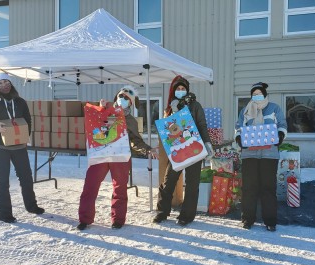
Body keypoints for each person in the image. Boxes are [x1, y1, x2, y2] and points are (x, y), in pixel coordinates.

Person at [77, 85, 158, 230]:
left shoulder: (130, 120)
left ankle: (118, 220)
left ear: (131, 103)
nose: (122, 99)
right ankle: (85, 218)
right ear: (116, 97)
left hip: (120, 157)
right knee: (90, 185)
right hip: (100, 154)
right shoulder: (104, 111)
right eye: (121, 96)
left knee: (120, 189)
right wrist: (100, 109)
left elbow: (135, 141)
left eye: (127, 98)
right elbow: (92, 125)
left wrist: (148, 149)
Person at [0, 72, 45, 223]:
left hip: (19, 146)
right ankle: (5, 214)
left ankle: (31, 206)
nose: (4, 86)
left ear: (11, 84)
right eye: (0, 83)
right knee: (2, 180)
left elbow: (27, 120)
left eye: (6, 82)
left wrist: (25, 136)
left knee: (26, 177)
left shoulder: (20, 102)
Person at [153, 75, 214, 226]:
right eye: (178, 89)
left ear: (187, 91)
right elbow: (166, 129)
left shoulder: (195, 106)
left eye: (183, 89)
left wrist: (207, 143)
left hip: (194, 149)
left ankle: (186, 215)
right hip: (176, 150)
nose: (180, 91)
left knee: (192, 184)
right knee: (168, 182)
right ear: (174, 91)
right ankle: (162, 212)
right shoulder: (169, 108)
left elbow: (202, 125)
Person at [234, 82, 287, 232]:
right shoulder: (245, 110)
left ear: (264, 94)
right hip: (249, 153)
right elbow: (238, 126)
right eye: (254, 94)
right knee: (249, 187)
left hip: (269, 154)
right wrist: (239, 138)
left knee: (268, 187)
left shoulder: (274, 108)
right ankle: (247, 219)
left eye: (259, 93)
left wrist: (281, 134)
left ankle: (270, 221)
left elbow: (282, 124)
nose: (257, 96)